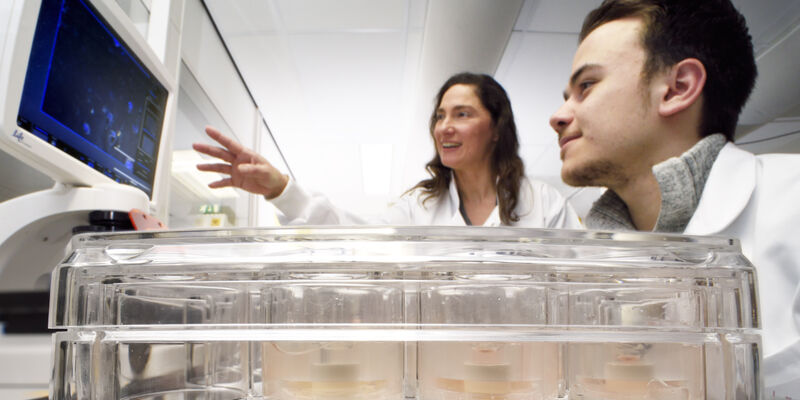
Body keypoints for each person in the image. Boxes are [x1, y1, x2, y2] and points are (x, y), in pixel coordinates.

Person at [549, 0, 800, 395]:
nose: (559, 115)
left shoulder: (792, 202)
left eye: (587, 86)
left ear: (677, 88)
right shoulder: (582, 260)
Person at [194, 72, 581, 228]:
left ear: (497, 129)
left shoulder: (545, 206)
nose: (444, 126)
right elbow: (355, 237)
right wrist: (281, 188)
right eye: (440, 115)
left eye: (462, 114)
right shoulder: (418, 208)